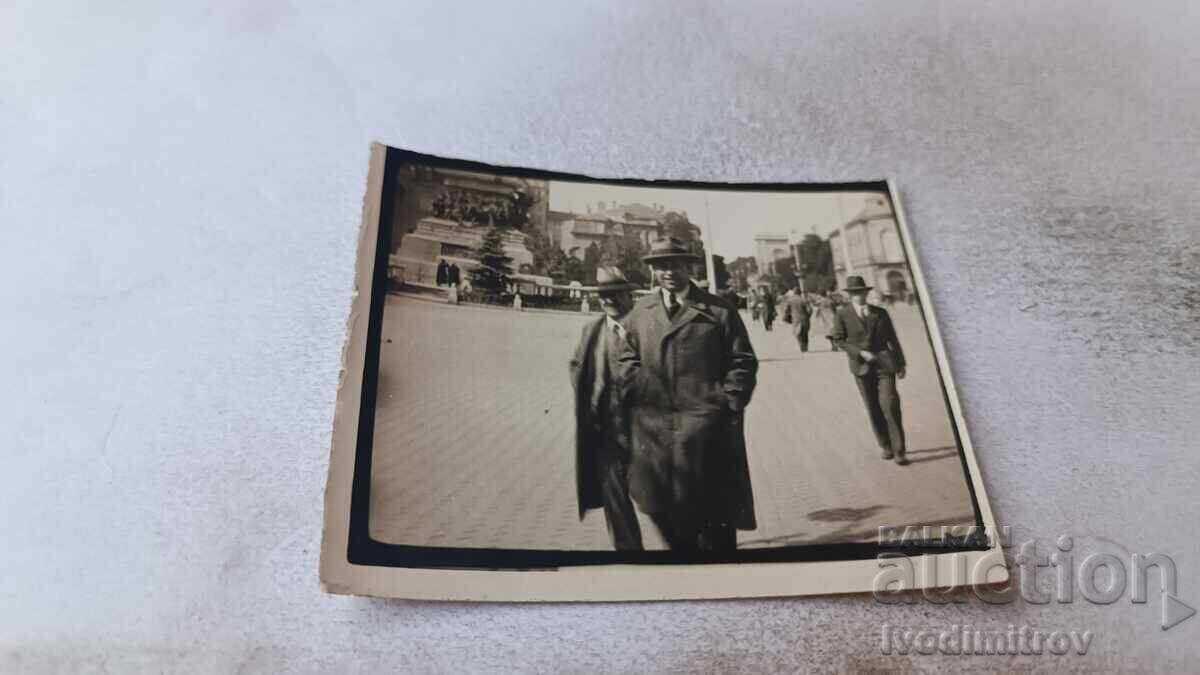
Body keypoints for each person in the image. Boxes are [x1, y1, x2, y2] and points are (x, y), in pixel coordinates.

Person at [619, 237, 758, 551]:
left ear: (689, 267)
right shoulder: (641, 310)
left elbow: (743, 361)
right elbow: (626, 357)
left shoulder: (719, 310)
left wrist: (726, 402)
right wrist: (636, 389)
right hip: (654, 432)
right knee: (663, 512)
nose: (668, 271)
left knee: (713, 521)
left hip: (706, 430)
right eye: (660, 265)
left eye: (675, 264)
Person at [568, 267, 643, 551]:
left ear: (629, 294)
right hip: (606, 430)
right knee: (615, 500)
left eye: (614, 294)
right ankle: (632, 557)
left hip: (644, 430)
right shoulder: (592, 329)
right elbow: (576, 365)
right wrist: (588, 397)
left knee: (661, 501)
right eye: (603, 295)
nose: (608, 300)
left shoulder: (646, 327)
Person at [830, 276, 909, 465]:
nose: (859, 296)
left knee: (889, 404)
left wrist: (900, 363)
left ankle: (899, 451)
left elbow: (893, 338)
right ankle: (885, 445)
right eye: (854, 293)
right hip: (861, 368)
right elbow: (838, 339)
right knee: (873, 407)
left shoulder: (880, 313)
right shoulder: (842, 314)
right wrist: (859, 353)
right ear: (850, 296)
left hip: (884, 365)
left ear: (867, 292)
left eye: (861, 292)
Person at [781, 288, 813, 353]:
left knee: (797, 333)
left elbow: (786, 310)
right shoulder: (804, 300)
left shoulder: (790, 300)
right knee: (805, 333)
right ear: (800, 293)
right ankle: (805, 346)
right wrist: (808, 316)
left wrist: (785, 317)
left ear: (794, 293)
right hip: (804, 318)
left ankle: (800, 344)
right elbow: (810, 310)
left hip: (795, 319)